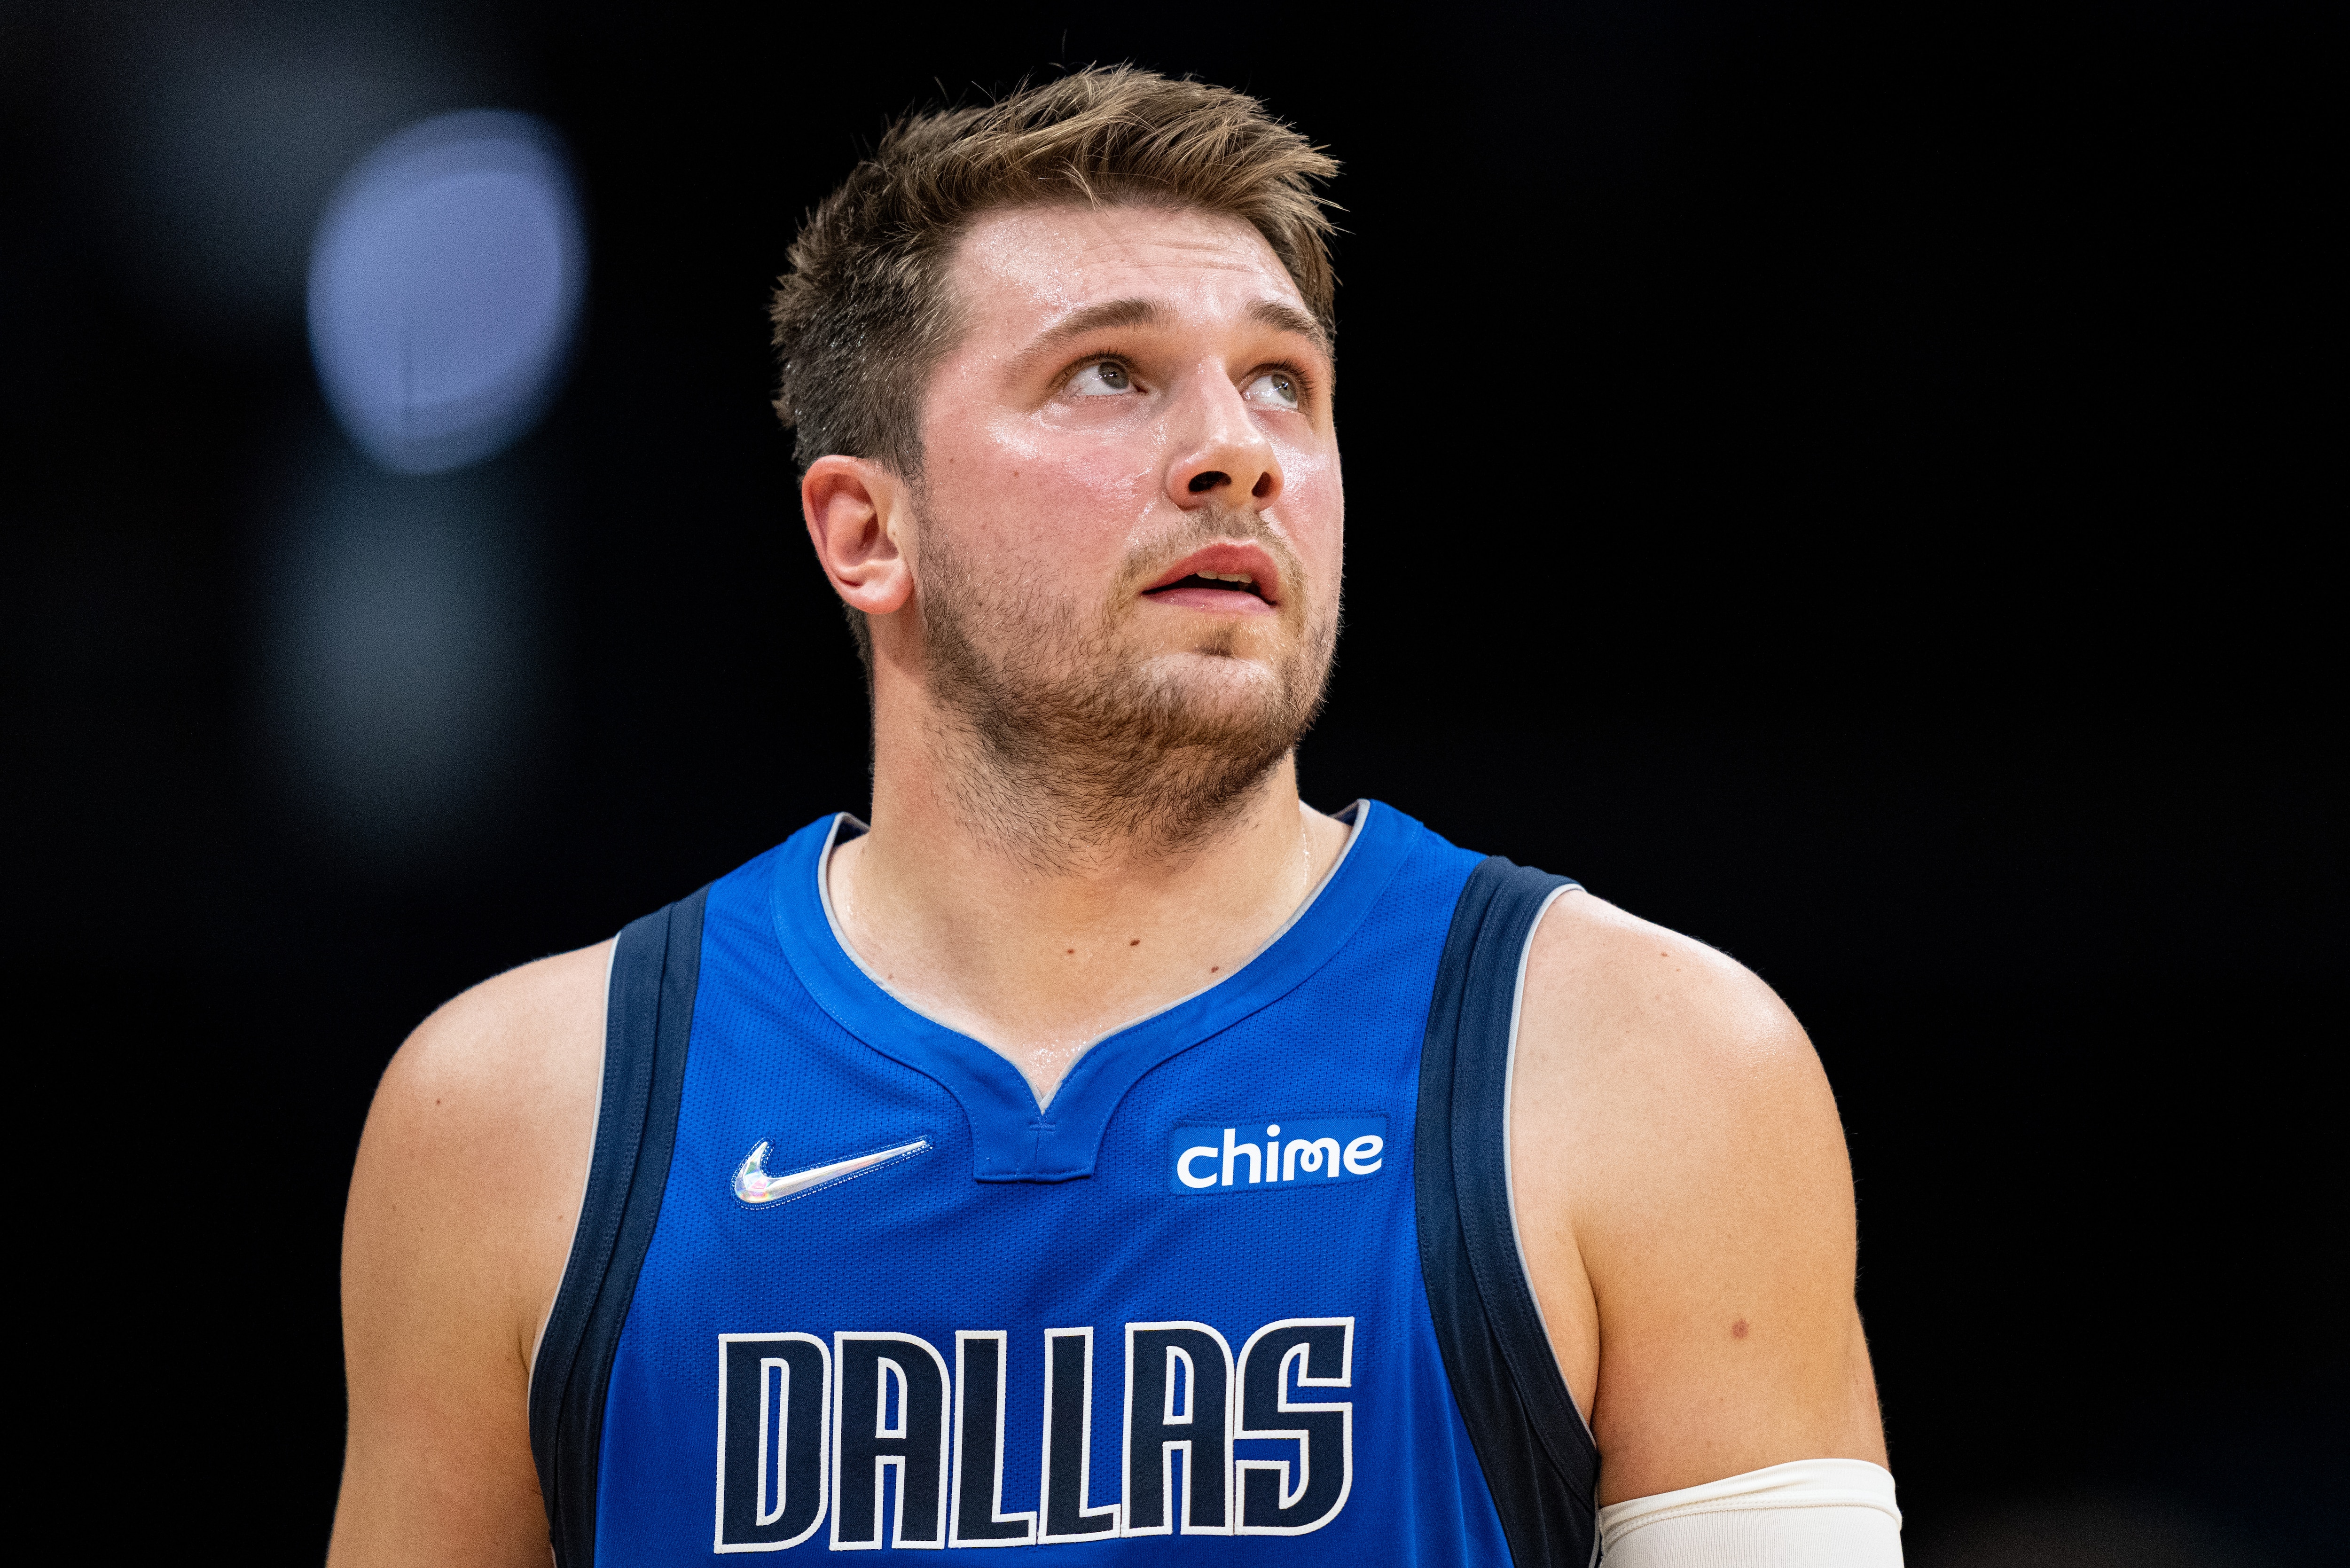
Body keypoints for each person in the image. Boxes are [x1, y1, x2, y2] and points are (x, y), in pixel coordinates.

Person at [329, 66, 1898, 1566]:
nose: (1239, 454)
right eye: (1110, 375)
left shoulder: (1654, 1068)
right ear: (868, 530)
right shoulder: (519, 1118)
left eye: (1285, 383)